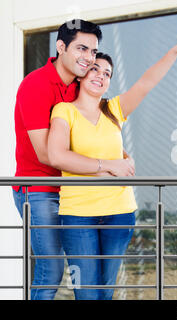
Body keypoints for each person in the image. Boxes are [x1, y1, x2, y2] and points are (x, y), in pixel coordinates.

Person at [47, 27, 177, 300]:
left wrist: (174, 51)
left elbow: (145, 84)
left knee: (106, 291)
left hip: (119, 214)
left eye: (107, 74)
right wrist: (110, 165)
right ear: (82, 75)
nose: (101, 76)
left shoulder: (114, 110)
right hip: (77, 216)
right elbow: (58, 156)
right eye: (95, 69)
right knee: (86, 293)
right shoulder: (64, 111)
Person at [13, 19, 134, 300]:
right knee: (51, 268)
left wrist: (122, 156)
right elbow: (47, 154)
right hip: (39, 189)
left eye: (93, 51)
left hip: (73, 193)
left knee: (91, 274)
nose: (88, 57)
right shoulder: (36, 85)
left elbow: (93, 134)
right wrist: (106, 169)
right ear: (60, 47)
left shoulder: (77, 87)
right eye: (82, 48)